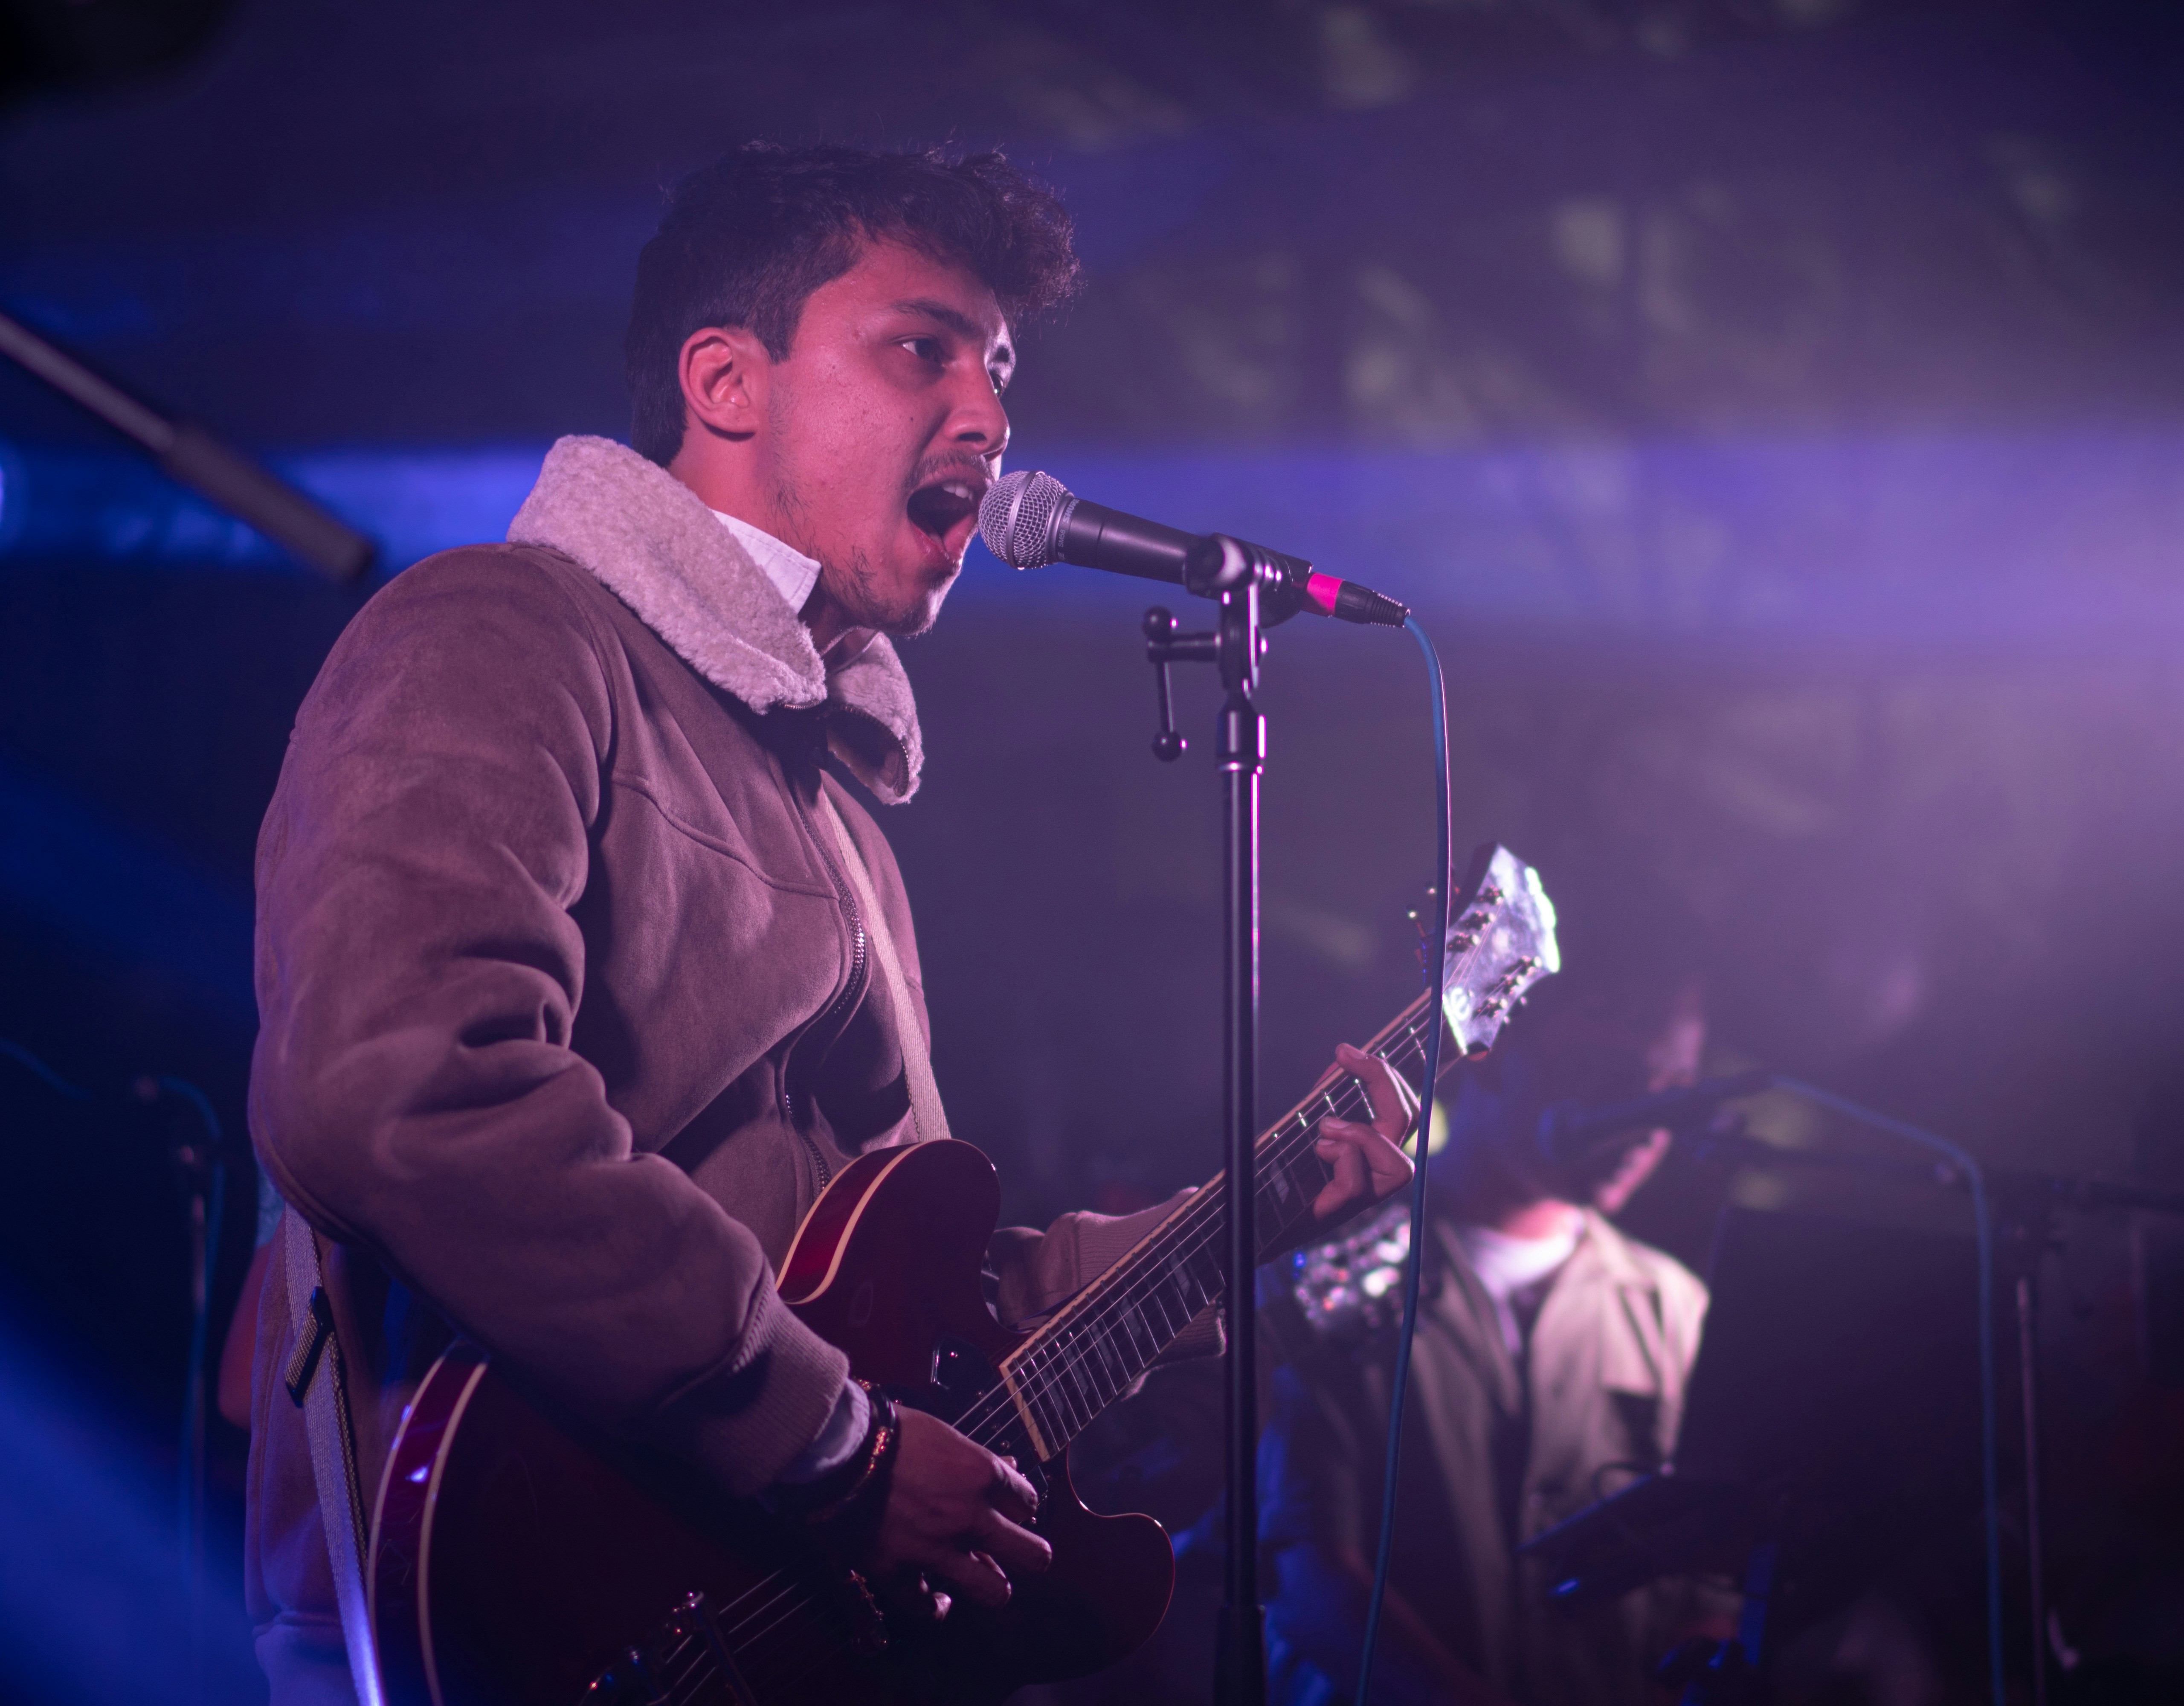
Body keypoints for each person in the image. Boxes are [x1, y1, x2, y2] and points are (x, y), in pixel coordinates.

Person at [242, 143, 1417, 1703]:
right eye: (924, 347)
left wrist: (1239, 1226)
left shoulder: (841, 815)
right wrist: (834, 1449)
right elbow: (409, 1088)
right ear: (728, 382)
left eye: (1000, 368)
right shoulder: (501, 633)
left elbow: (882, 1295)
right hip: (514, 1601)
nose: (992, 417)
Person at [1259, 976, 1727, 1706]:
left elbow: (1712, 1589)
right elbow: (1309, 1581)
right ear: (1493, 1045)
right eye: (1614, 1078)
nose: (1648, 1122)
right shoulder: (1320, 1274)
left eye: (1675, 1090)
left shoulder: (1677, 1308)